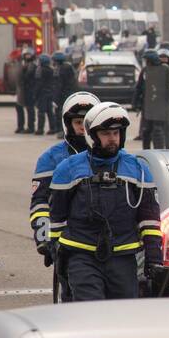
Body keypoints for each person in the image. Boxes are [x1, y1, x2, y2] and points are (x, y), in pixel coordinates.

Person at [49, 102, 162, 301]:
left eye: (116, 133)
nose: (112, 139)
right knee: (90, 311)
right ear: (92, 136)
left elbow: (149, 218)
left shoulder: (138, 169)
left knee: (122, 316)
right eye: (106, 134)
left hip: (123, 258)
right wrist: (57, 251)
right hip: (81, 255)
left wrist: (153, 256)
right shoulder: (67, 169)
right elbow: (57, 217)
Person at [30, 91, 99, 302]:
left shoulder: (109, 155)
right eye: (77, 121)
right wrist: (44, 239)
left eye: (86, 121)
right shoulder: (50, 158)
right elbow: (40, 203)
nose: (81, 127)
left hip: (105, 240)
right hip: (67, 240)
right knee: (70, 298)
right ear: (66, 123)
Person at [139, 51, 169, 149]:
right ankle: (146, 151)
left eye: (147, 60)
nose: (146, 62)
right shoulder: (145, 70)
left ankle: (159, 151)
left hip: (161, 105)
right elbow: (139, 87)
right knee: (146, 130)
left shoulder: (165, 69)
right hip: (148, 105)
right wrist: (136, 102)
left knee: (158, 129)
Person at [53, 51, 77, 137]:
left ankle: (61, 131)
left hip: (63, 95)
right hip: (70, 94)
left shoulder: (60, 69)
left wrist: (55, 99)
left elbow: (59, 85)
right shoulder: (69, 67)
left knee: (60, 113)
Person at [16, 50, 38, 134]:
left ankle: (30, 127)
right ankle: (20, 126)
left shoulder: (32, 66)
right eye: (26, 55)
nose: (27, 56)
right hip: (23, 90)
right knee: (19, 107)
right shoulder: (24, 65)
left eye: (29, 55)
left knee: (30, 109)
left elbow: (27, 77)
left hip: (30, 90)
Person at [34, 53, 57, 135]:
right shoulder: (52, 70)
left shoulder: (40, 70)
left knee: (41, 112)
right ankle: (53, 128)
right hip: (50, 93)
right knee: (50, 112)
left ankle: (40, 129)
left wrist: (35, 94)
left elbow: (38, 84)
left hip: (42, 94)